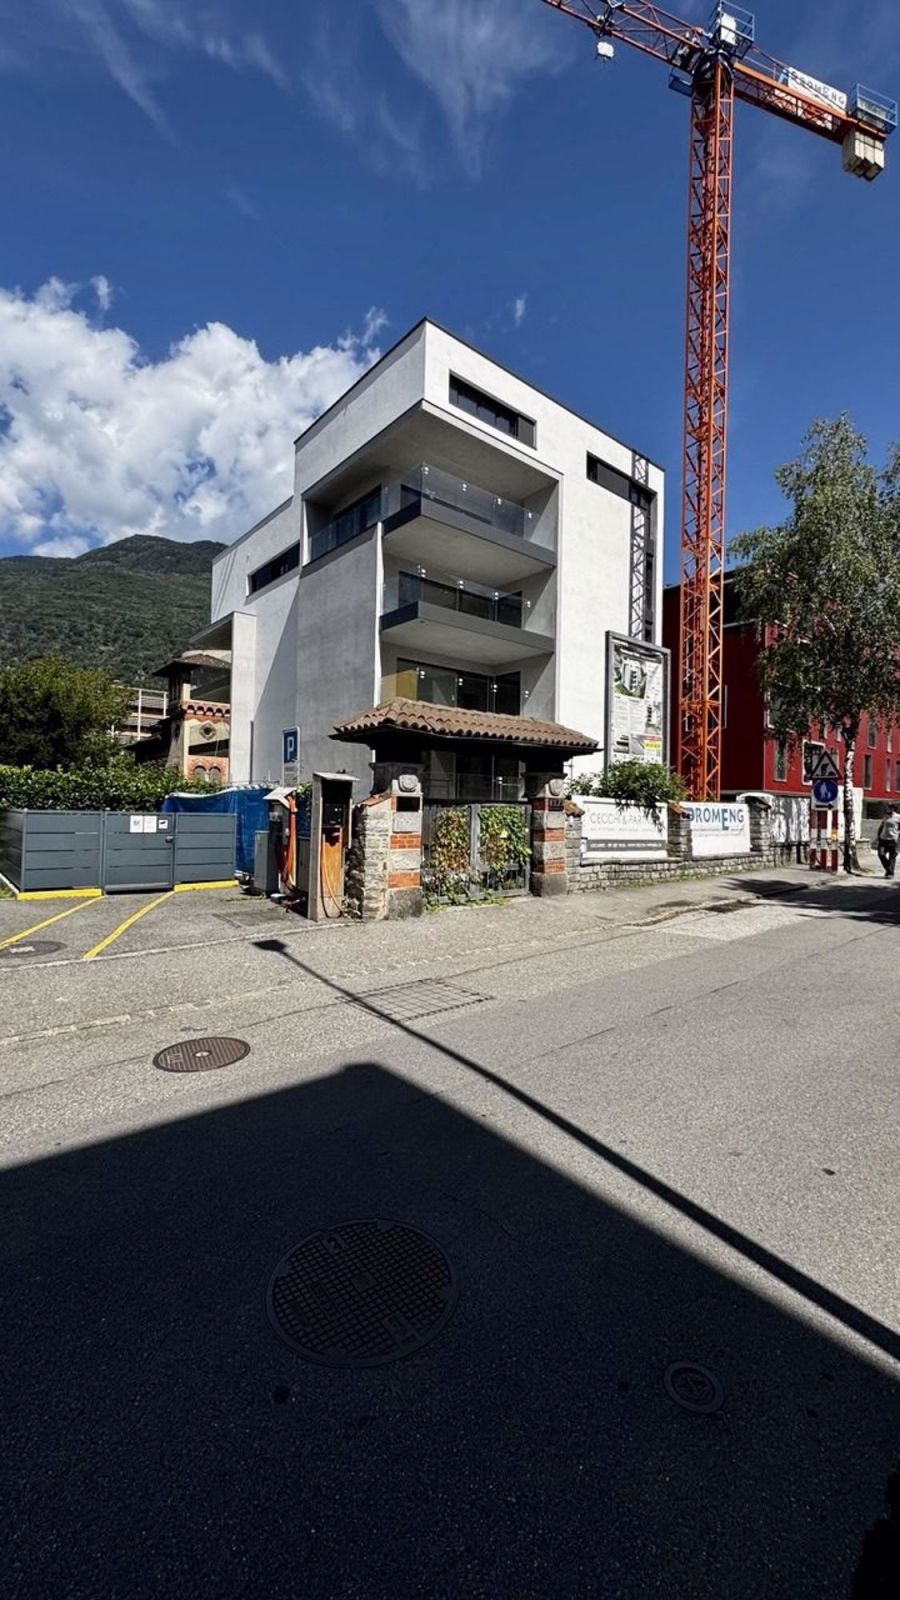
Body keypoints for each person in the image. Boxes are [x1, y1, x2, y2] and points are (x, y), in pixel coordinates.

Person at [875, 807, 900, 878]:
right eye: (888, 808)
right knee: (881, 854)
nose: (888, 810)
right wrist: (878, 836)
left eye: (890, 808)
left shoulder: (898, 817)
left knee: (892, 857)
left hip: (893, 840)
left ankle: (890, 873)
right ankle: (889, 869)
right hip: (883, 839)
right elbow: (881, 827)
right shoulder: (885, 817)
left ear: (894, 809)